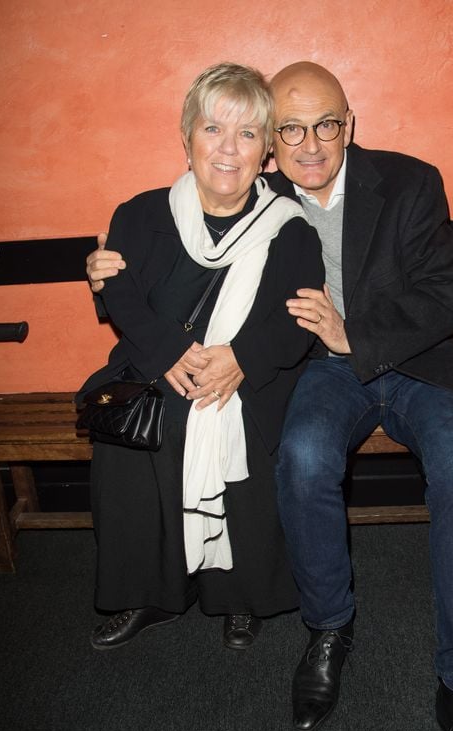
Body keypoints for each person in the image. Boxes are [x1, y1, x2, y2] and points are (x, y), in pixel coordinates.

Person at [86, 62, 453, 731]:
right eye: (289, 128)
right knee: (303, 458)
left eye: (326, 125)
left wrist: (361, 335)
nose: (309, 143)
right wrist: (106, 270)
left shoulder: (410, 183)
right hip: (325, 375)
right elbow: (188, 230)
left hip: (414, 365)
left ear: (350, 124)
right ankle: (328, 627)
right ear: (271, 145)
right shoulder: (261, 197)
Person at [78, 62, 324, 654]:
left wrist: (238, 360)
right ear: (186, 139)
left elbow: (298, 322)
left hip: (246, 378)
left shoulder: (291, 229)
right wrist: (167, 354)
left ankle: (238, 596)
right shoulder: (139, 214)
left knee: (244, 427)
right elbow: (121, 293)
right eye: (213, 129)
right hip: (154, 367)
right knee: (137, 435)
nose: (228, 149)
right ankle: (149, 592)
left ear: (266, 150)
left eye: (246, 134)